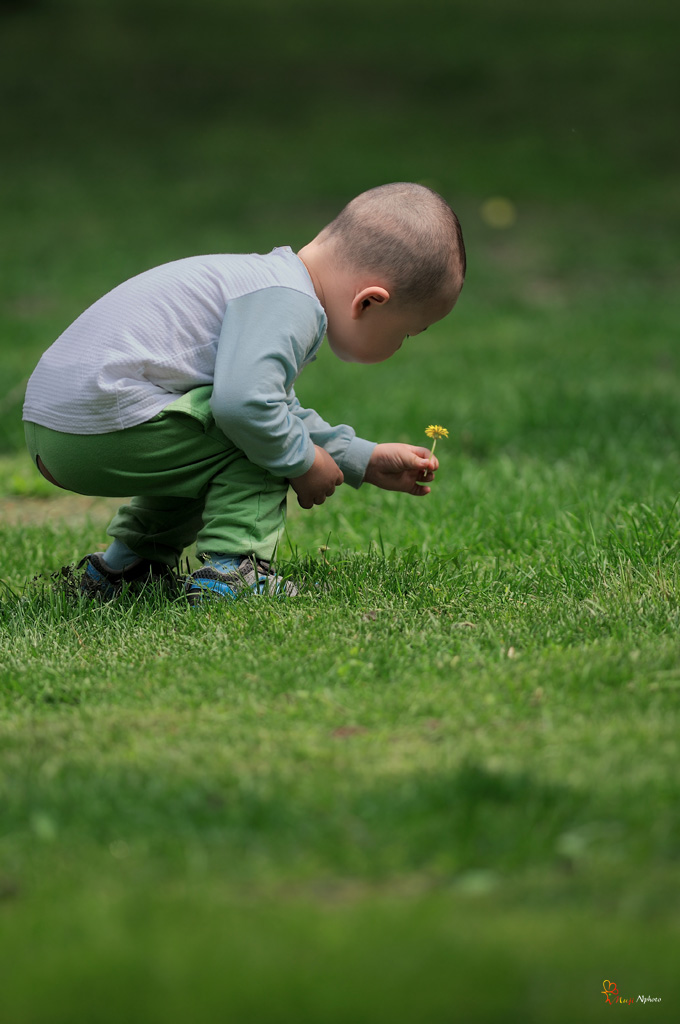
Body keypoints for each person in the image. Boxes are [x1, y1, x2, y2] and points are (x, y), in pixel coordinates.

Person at [22, 182, 466, 602]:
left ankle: (127, 569)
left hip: (60, 428)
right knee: (257, 438)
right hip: (96, 427)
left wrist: (360, 458)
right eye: (408, 333)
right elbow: (246, 409)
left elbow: (268, 404)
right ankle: (235, 569)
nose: (400, 346)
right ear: (369, 301)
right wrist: (302, 460)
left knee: (226, 439)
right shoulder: (289, 302)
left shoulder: (268, 282)